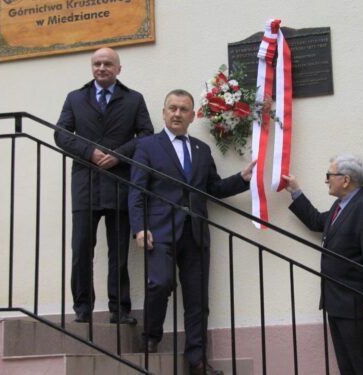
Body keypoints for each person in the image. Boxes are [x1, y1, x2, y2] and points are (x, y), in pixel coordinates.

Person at [128, 89, 256, 375]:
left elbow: (213, 188)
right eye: (172, 108)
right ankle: (150, 338)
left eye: (183, 109)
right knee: (159, 284)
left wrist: (242, 179)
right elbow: (136, 190)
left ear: (193, 115)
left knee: (198, 300)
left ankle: (197, 360)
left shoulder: (202, 149)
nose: (177, 114)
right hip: (159, 231)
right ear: (163, 112)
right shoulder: (148, 146)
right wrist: (139, 227)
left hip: (196, 233)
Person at [54, 47, 154, 325]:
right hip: (85, 185)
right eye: (97, 63)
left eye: (107, 64)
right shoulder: (75, 98)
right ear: (92, 67)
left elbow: (146, 134)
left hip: (120, 182)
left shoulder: (134, 99)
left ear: (118, 68)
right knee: (81, 250)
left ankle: (120, 309)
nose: (101, 68)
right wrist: (89, 152)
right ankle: (82, 308)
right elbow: (60, 134)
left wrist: (119, 155)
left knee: (119, 253)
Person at [281, 154, 363, 375]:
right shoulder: (341, 205)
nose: (326, 180)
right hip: (337, 302)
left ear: (346, 179)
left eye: (329, 175)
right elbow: (316, 222)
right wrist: (296, 192)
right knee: (348, 367)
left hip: (358, 306)